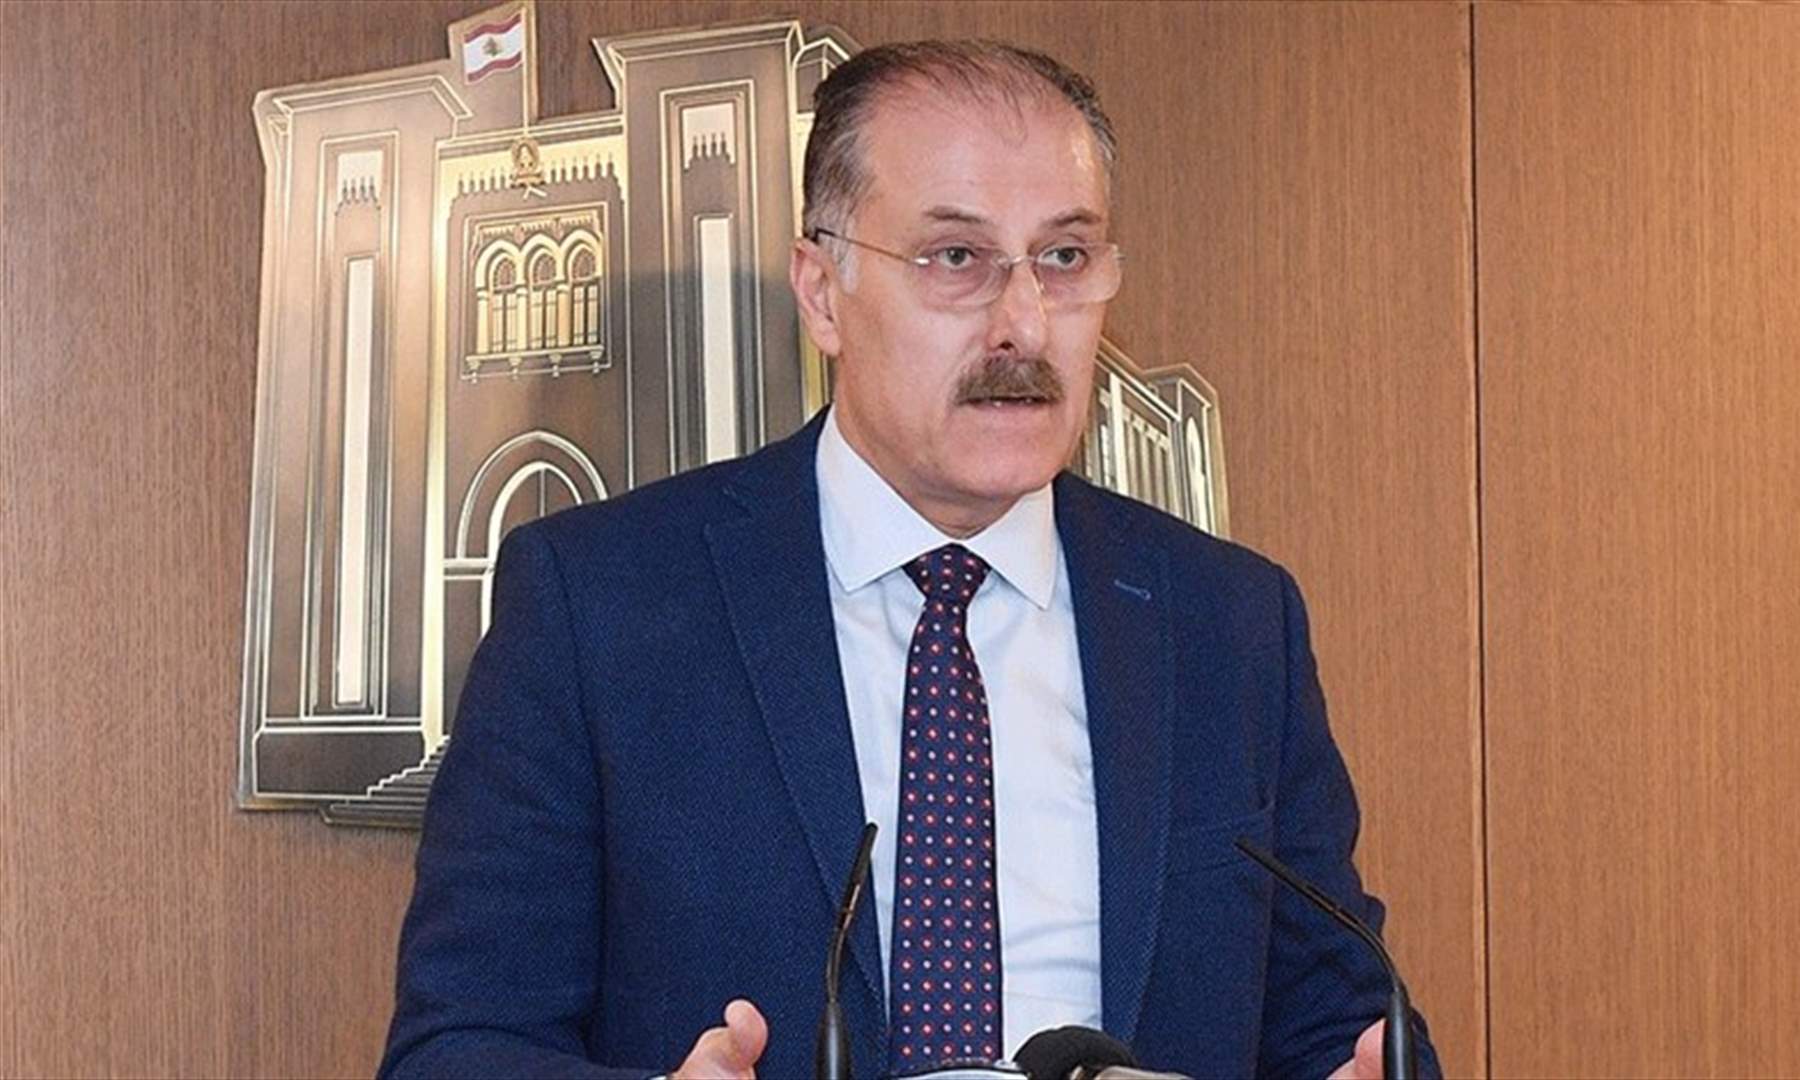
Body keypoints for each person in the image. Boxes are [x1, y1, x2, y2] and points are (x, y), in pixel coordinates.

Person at [380, 40, 1440, 1080]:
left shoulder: (1228, 624)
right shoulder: (599, 604)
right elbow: (454, 1046)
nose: (1025, 325)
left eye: (1065, 258)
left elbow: (1351, 1031)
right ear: (822, 291)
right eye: (956, 259)